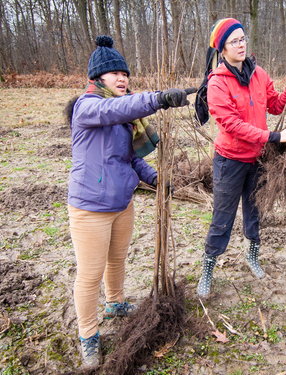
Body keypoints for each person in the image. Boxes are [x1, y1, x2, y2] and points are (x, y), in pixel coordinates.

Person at [66, 35, 194, 368]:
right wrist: (159, 99)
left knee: (117, 260)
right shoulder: (89, 106)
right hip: (90, 208)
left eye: (125, 73)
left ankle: (116, 302)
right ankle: (88, 335)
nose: (122, 78)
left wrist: (156, 179)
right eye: (114, 74)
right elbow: (116, 108)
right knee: (89, 275)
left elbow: (129, 159)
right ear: (97, 79)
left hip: (122, 202)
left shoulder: (124, 119)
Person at [197, 18, 286, 297]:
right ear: (223, 49)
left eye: (243, 38)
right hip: (230, 160)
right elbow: (231, 125)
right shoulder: (218, 83)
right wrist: (274, 137)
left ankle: (252, 255)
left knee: (255, 210)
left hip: (257, 159)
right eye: (234, 41)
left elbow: (276, 105)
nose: (241, 44)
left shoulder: (259, 74)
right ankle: (209, 267)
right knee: (222, 216)